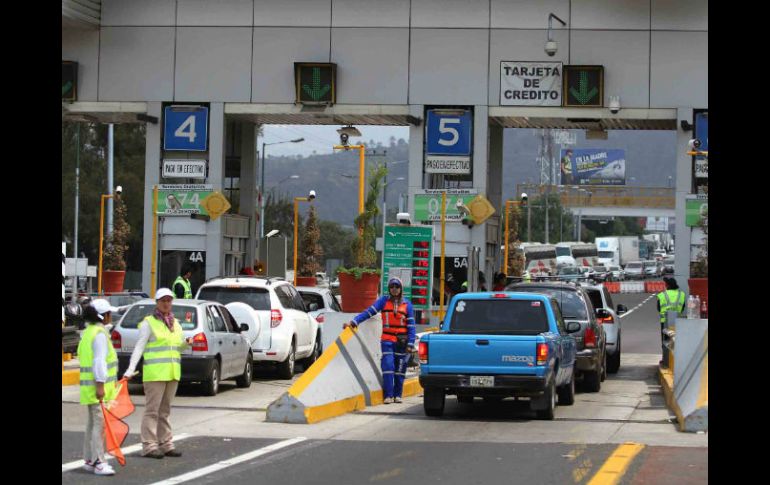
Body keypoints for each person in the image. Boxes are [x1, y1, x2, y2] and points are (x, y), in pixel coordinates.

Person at [123, 288, 193, 458]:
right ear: (157, 303)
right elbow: (139, 347)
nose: (166, 303)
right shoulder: (149, 323)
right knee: (152, 411)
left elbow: (176, 347)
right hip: (155, 374)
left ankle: (166, 444)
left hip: (172, 372)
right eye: (163, 301)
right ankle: (149, 446)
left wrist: (186, 343)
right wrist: (130, 369)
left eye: (169, 300)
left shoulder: (176, 324)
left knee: (165, 411)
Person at [343, 277, 416, 404]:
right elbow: (369, 312)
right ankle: (388, 395)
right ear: (389, 288)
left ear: (401, 289)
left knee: (400, 369)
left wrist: (410, 343)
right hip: (387, 340)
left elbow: (411, 326)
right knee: (388, 366)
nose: (394, 289)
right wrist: (354, 322)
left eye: (397, 286)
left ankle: (398, 395)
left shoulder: (407, 305)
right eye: (392, 286)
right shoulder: (383, 301)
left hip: (402, 343)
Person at [78, 299, 120, 476]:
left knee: (92, 424)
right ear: (104, 316)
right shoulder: (100, 334)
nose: (111, 316)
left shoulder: (88, 332)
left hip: (89, 389)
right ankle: (99, 462)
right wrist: (101, 386)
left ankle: (90, 459)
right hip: (98, 388)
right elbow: (99, 362)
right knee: (99, 426)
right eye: (109, 313)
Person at [656, 276, 686, 364]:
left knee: (666, 341)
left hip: (665, 322)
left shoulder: (662, 295)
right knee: (677, 341)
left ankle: (665, 360)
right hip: (678, 322)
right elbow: (683, 307)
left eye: (665, 284)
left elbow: (659, 308)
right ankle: (677, 360)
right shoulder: (682, 294)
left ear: (668, 285)